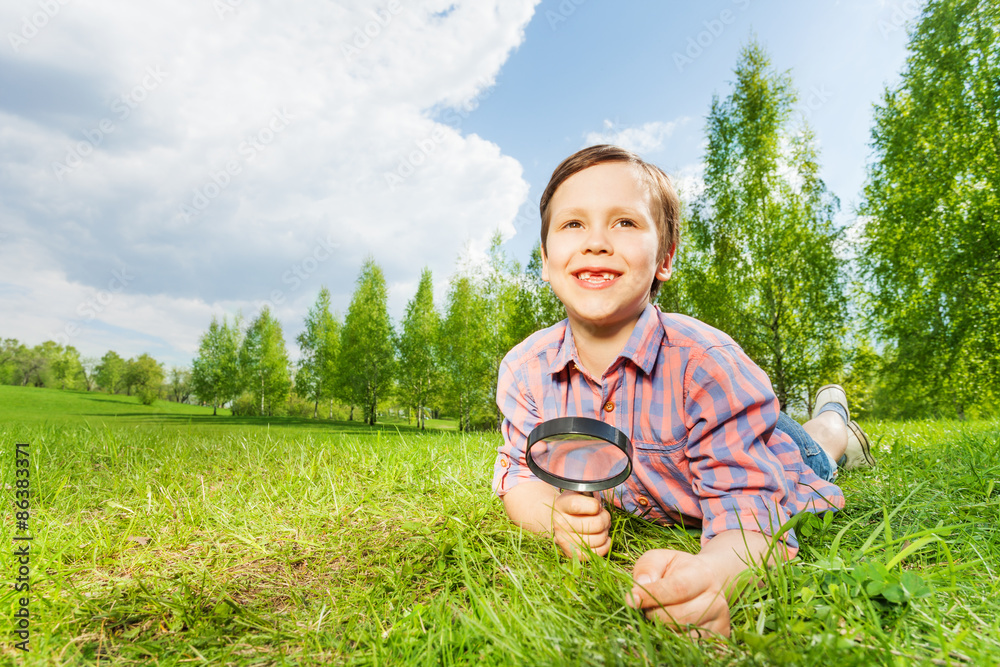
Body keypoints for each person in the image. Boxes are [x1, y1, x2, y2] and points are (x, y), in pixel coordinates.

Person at [492, 144, 875, 637]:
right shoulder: (525, 371)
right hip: (713, 430)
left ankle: (835, 420)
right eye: (573, 224)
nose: (596, 242)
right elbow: (519, 475)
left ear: (664, 258)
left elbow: (752, 520)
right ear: (545, 260)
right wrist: (553, 517)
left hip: (770, 449)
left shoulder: (707, 365)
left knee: (817, 445)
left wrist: (714, 575)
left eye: (625, 223)